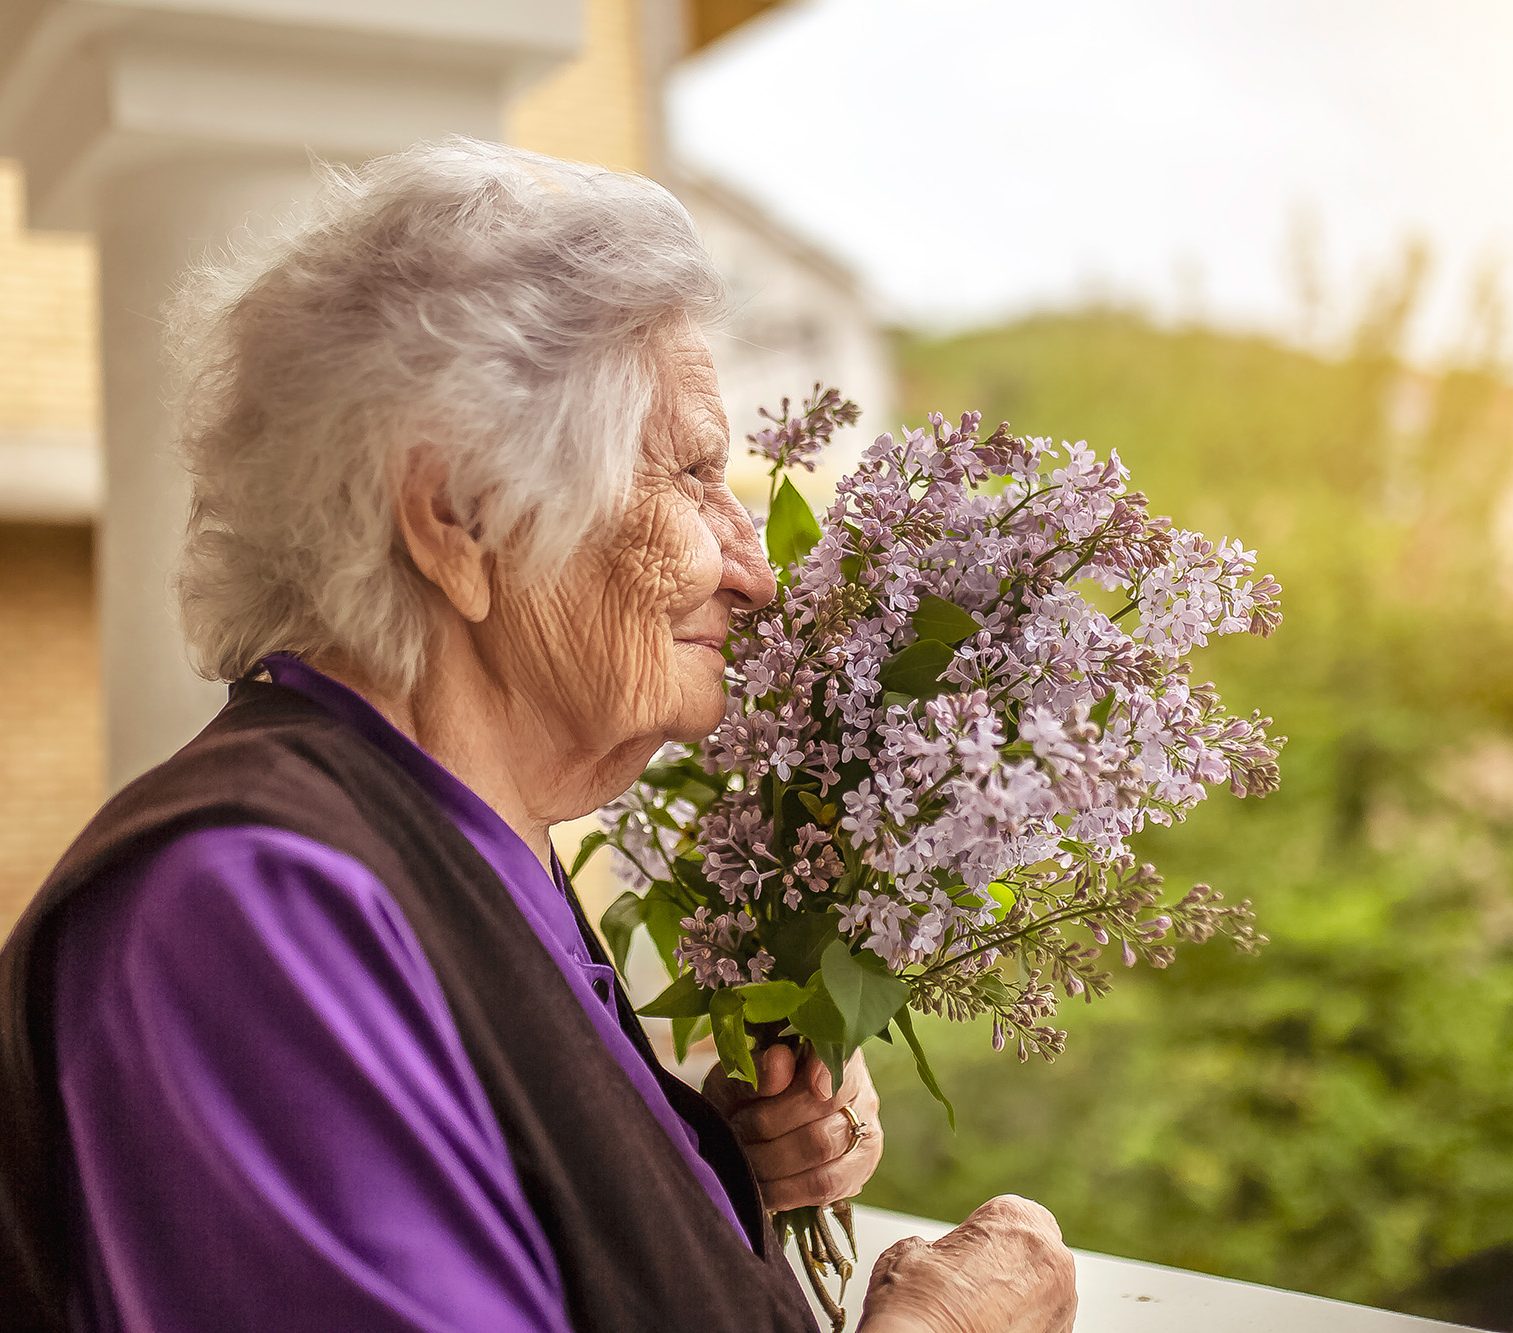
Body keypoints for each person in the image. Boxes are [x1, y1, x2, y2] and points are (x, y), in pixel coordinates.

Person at [0, 137, 1076, 1332]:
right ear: (457, 515)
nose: (756, 572)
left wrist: (693, 1171)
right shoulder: (258, 899)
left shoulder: (457, 847)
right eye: (691, 473)